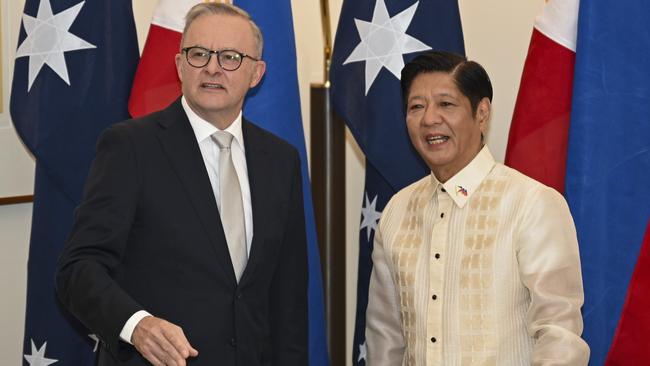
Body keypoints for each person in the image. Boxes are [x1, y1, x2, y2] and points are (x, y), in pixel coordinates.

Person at [56, 3, 307, 366]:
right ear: (179, 65)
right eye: (199, 54)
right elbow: (77, 269)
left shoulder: (281, 160)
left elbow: (288, 300)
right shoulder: (131, 147)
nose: (212, 67)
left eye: (231, 57)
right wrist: (137, 326)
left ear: (257, 73)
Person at [365, 51, 590, 365]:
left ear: (481, 113)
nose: (429, 118)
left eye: (446, 104)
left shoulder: (531, 204)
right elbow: (384, 340)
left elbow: (559, 336)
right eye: (417, 106)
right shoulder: (397, 212)